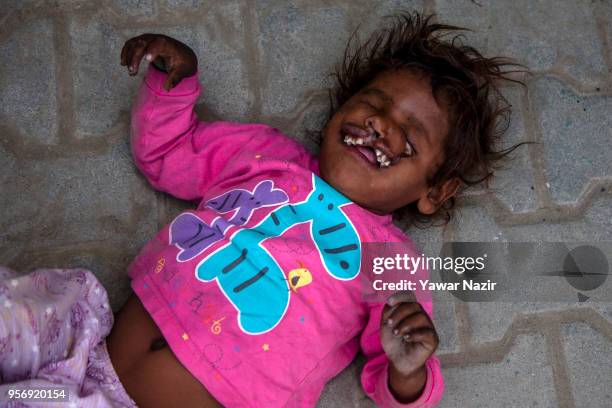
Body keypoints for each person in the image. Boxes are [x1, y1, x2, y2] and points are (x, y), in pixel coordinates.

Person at [0, 13, 524, 407]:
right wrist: (173, 87)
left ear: (433, 192)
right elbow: (167, 157)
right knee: (16, 318)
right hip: (82, 343)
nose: (382, 125)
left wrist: (408, 373)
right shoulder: (266, 155)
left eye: (409, 137)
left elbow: (393, 383)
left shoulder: (391, 260)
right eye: (374, 102)